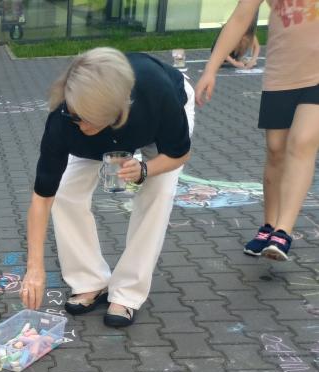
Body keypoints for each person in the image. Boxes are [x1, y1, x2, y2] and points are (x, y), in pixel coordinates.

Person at [20, 48, 194, 328]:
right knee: (66, 192)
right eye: (75, 116)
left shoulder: (156, 93)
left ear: (113, 112)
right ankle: (90, 281)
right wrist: (34, 269)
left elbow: (179, 153)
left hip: (156, 125)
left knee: (157, 194)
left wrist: (145, 170)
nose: (80, 124)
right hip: (112, 127)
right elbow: (42, 199)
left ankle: (127, 293)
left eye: (87, 119)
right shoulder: (64, 120)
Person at [197, 0, 318, 262]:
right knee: (275, 150)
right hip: (281, 74)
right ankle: (269, 226)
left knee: (302, 142)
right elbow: (241, 17)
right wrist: (210, 69)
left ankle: (283, 231)